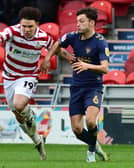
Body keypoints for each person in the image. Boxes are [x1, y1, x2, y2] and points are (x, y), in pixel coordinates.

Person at [0, 6, 72, 160]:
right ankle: (37, 141)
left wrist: (72, 60)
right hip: (9, 77)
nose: (26, 29)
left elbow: (57, 49)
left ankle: (29, 113)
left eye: (30, 26)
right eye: (24, 26)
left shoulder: (43, 37)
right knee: (18, 114)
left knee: (19, 105)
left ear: (37, 25)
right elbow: (1, 37)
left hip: (28, 75)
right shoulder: (12, 32)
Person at [40, 7, 110, 162]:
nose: (77, 24)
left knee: (91, 121)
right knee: (77, 130)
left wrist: (87, 66)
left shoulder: (100, 43)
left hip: (93, 87)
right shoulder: (72, 37)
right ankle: (95, 145)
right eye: (77, 21)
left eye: (81, 21)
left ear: (91, 23)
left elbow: (105, 68)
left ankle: (90, 152)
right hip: (76, 87)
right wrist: (47, 58)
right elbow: (57, 43)